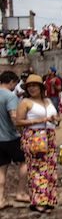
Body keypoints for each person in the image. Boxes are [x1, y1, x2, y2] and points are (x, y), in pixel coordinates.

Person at [15, 74, 59, 213]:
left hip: (50, 135)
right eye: (29, 86)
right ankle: (39, 201)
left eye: (35, 85)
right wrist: (39, 121)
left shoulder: (48, 101)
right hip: (35, 136)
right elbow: (19, 122)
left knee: (50, 168)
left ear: (41, 87)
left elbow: (55, 117)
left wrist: (53, 119)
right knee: (37, 170)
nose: (32, 88)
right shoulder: (25, 102)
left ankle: (49, 199)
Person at [0, 70, 29, 208]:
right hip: (11, 137)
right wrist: (22, 132)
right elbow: (13, 116)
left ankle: (0, 198)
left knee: (2, 169)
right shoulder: (10, 97)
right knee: (24, 162)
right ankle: (21, 192)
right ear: (11, 82)